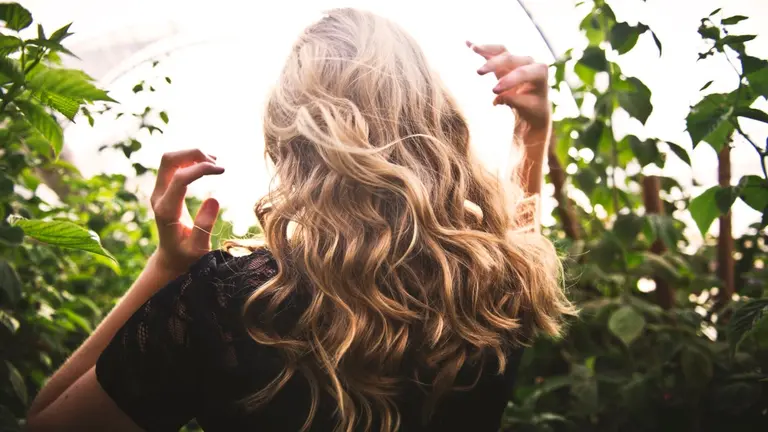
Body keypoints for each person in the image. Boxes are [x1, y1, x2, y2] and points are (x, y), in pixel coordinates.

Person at [25, 8, 574, 432]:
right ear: (435, 119)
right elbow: (516, 239)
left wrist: (167, 267)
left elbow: (45, 424)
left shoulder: (228, 305)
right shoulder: (499, 285)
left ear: (288, 140)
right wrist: (532, 132)